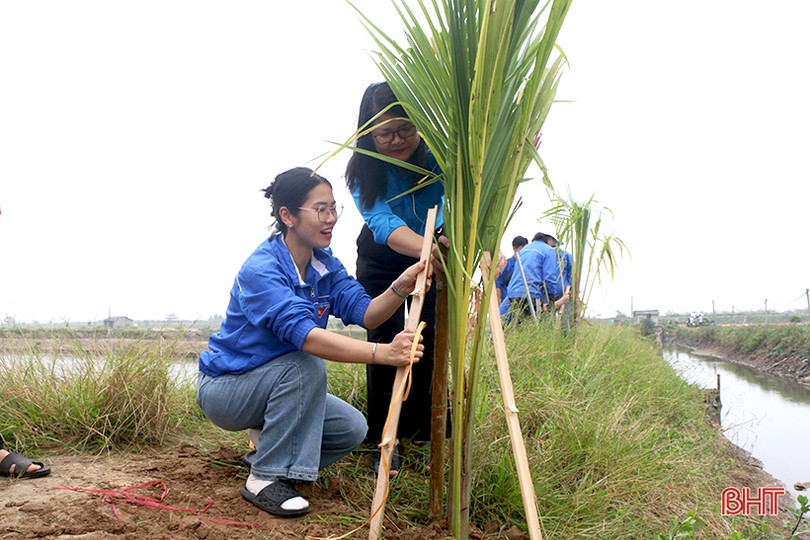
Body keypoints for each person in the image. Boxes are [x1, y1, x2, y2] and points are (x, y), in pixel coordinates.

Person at [196, 167, 428, 518]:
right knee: (305, 363)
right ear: (287, 216)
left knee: (351, 428)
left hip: (278, 385)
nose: (331, 218)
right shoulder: (262, 269)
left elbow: (366, 313)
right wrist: (384, 354)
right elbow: (307, 338)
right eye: (320, 209)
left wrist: (400, 287)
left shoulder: (325, 264)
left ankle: (269, 451)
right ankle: (264, 478)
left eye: (334, 208)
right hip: (228, 389)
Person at [345, 81, 448, 474]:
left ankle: (421, 433)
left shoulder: (439, 155)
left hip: (438, 250)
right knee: (386, 344)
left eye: (404, 129)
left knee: (426, 342)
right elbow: (382, 221)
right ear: (368, 132)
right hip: (382, 256)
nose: (395, 140)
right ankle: (384, 438)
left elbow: (455, 200)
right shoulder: (362, 170)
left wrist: (444, 243)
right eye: (384, 133)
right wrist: (427, 248)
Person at [504, 232, 563, 322]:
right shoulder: (548, 250)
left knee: (519, 325)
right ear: (550, 239)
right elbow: (550, 276)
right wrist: (552, 297)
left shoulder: (525, 249)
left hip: (513, 293)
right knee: (534, 324)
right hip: (531, 293)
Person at [496, 235, 528, 316]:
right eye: (522, 249)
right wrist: (499, 304)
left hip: (521, 303)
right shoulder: (506, 265)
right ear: (514, 249)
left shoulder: (526, 266)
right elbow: (498, 285)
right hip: (506, 303)